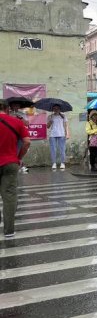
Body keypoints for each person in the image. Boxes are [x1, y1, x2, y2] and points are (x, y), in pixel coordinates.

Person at [0, 98, 30, 238]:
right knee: (10, 196)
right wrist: (19, 157)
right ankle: (9, 231)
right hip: (10, 162)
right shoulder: (17, 122)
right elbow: (26, 142)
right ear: (7, 109)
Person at [46, 104, 69, 170]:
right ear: (53, 109)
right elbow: (47, 127)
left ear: (60, 109)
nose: (56, 110)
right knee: (53, 150)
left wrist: (67, 134)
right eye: (54, 108)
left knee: (62, 149)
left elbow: (66, 125)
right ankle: (54, 163)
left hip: (61, 134)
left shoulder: (63, 116)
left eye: (57, 108)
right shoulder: (50, 116)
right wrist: (50, 121)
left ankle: (62, 163)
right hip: (52, 135)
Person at [8, 101, 29, 173]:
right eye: (14, 105)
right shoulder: (8, 113)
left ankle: (19, 165)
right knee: (11, 151)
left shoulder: (22, 114)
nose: (16, 107)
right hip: (10, 135)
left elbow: (27, 124)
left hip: (19, 135)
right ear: (11, 106)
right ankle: (21, 165)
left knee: (18, 150)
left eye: (17, 105)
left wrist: (20, 117)